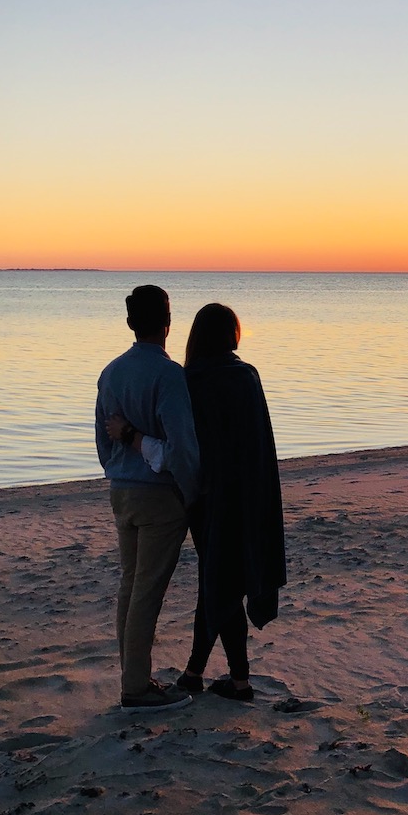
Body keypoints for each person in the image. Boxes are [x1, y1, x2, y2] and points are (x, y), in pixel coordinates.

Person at [109, 303, 286, 701]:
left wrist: (132, 441)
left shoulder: (192, 380)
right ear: (232, 336)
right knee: (221, 583)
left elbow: (185, 448)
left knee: (218, 582)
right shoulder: (246, 376)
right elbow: (255, 441)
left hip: (208, 497)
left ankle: (238, 681)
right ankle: (195, 672)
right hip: (248, 493)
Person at [95, 285, 200, 711]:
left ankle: (133, 675)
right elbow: (182, 449)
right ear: (168, 324)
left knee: (130, 584)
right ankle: (135, 686)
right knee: (146, 590)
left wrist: (117, 469)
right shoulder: (169, 374)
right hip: (158, 496)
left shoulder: (111, 372)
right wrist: (191, 494)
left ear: (129, 323)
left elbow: (102, 441)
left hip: (122, 489)